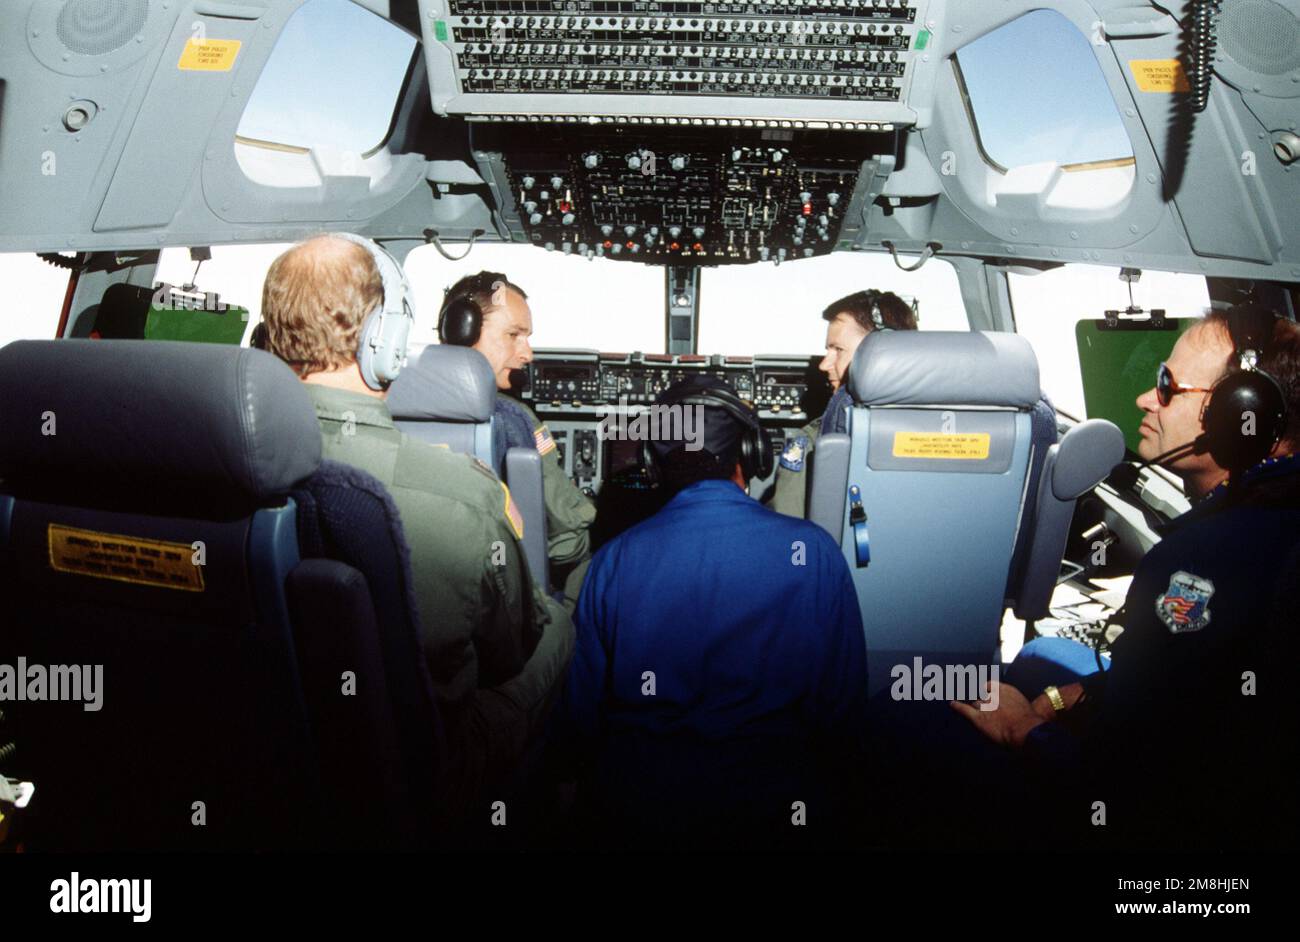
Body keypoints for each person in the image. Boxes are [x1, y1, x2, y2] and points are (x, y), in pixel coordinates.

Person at [953, 304, 1300, 849]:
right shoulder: (1272, 518)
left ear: (1240, 414)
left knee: (921, 734)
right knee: (1044, 664)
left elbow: (1121, 787)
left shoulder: (1199, 559)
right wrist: (1067, 699)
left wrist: (1024, 728)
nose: (1145, 397)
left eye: (1168, 386)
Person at [260, 235, 575, 830]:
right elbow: (509, 650)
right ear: (386, 337)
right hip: (421, 775)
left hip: (274, 760)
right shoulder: (464, 492)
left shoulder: (217, 469)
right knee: (558, 625)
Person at [551, 376, 868, 848]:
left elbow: (580, 721)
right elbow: (843, 716)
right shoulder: (815, 553)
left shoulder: (612, 561)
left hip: (639, 813)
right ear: (753, 454)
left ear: (652, 464)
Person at [438, 272, 596, 607]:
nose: (528, 354)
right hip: (509, 606)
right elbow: (565, 542)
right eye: (514, 335)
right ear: (462, 331)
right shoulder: (514, 420)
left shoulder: (392, 403)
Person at [770, 289, 917, 518]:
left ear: (884, 351)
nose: (824, 365)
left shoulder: (810, 441)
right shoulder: (959, 430)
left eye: (838, 350)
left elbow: (788, 532)